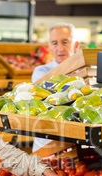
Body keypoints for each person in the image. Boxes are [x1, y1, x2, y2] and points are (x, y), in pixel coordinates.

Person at [31, 22, 81, 152]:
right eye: (54, 43)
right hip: (47, 145)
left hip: (77, 145)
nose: (60, 48)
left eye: (65, 42)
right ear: (49, 48)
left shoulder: (88, 71)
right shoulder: (41, 72)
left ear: (76, 45)